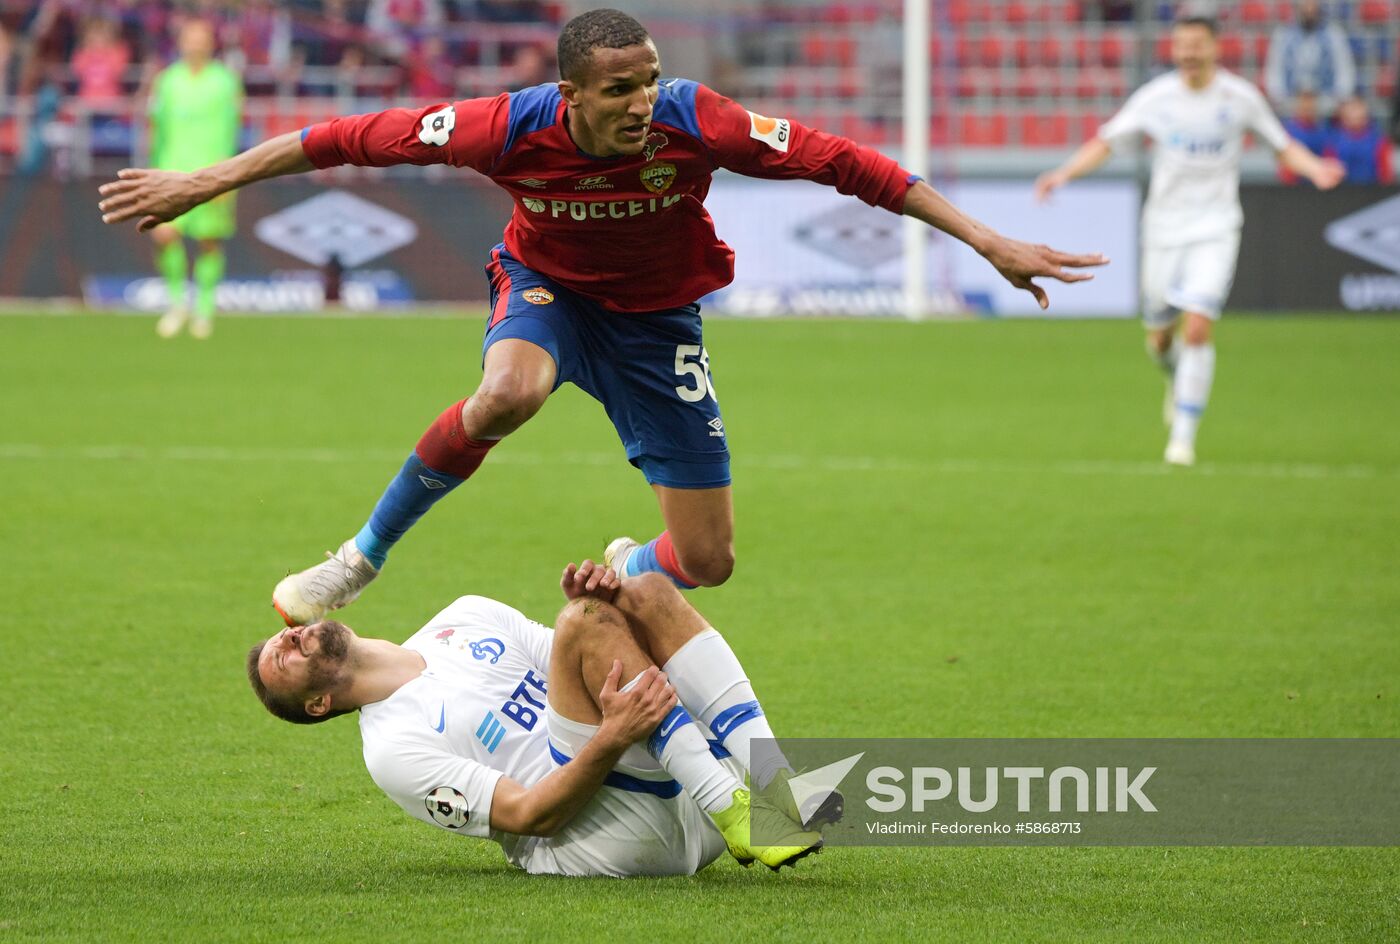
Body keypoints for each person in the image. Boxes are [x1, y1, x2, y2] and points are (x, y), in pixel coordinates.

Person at [99, 8, 1105, 621]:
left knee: (704, 561)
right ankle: (358, 556)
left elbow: (850, 164)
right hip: (549, 290)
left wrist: (987, 240)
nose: (640, 102)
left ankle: (627, 562)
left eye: (648, 81)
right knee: (507, 392)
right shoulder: (501, 128)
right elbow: (338, 137)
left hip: (658, 321)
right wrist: (204, 180)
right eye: (619, 89)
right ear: (569, 92)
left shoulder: (697, 120)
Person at [245, 562, 833, 877]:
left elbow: (595, 647)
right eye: (280, 657)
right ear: (317, 706)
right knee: (585, 620)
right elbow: (531, 817)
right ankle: (732, 806)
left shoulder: (465, 615)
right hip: (606, 838)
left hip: (669, 782)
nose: (288, 636)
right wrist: (609, 737)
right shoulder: (391, 750)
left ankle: (777, 786)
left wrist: (607, 600)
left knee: (646, 591)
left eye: (282, 634)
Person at [1035, 14, 1344, 467]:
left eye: (1197, 44)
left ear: (1215, 48)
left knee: (1198, 324)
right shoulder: (1157, 98)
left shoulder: (1239, 98)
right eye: (1181, 45)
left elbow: (1281, 144)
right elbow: (1107, 141)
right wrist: (1063, 173)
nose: (1188, 53)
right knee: (1159, 339)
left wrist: (1315, 167)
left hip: (1216, 226)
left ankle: (1182, 439)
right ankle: (1174, 376)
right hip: (1163, 229)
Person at [146, 18, 242, 339]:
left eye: (201, 38)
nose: (195, 44)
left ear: (211, 43)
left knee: (208, 242)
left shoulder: (225, 82)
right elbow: (156, 129)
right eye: (190, 37)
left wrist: (227, 175)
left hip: (212, 174)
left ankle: (204, 309)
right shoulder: (168, 81)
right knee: (164, 235)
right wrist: (153, 170)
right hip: (171, 171)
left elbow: (232, 131)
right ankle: (176, 305)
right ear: (181, 42)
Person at [1265, 0, 1356, 118]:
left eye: (1312, 6)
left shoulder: (1333, 34)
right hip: (1291, 106)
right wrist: (1283, 101)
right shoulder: (1283, 35)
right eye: (1305, 6)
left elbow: (1344, 70)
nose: (1309, 10)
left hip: (1326, 105)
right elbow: (1274, 71)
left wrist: (1337, 101)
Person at [1326, 95, 1393, 186]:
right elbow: (1327, 171)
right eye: (1352, 111)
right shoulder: (1333, 141)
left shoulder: (1378, 140)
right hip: (1340, 192)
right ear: (1343, 116)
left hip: (1373, 191)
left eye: (1357, 109)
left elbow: (1386, 174)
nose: (1355, 115)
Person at [1280, 91, 1330, 184]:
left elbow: (1329, 160)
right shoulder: (1288, 132)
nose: (1308, 107)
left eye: (1311, 103)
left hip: (1320, 185)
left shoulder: (1324, 132)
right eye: (1304, 102)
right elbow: (1285, 166)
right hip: (1295, 188)